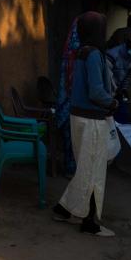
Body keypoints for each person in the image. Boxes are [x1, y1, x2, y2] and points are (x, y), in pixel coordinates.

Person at [52, 11, 118, 237]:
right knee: (93, 172)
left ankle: (67, 211)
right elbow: (97, 91)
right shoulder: (94, 55)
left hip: (77, 117)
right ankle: (88, 221)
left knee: (85, 169)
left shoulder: (80, 52)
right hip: (92, 121)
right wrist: (113, 102)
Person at [55, 17, 81, 178]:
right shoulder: (77, 54)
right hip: (71, 102)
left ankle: (71, 167)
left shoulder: (71, 53)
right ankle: (70, 168)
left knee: (71, 136)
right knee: (70, 135)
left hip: (70, 101)